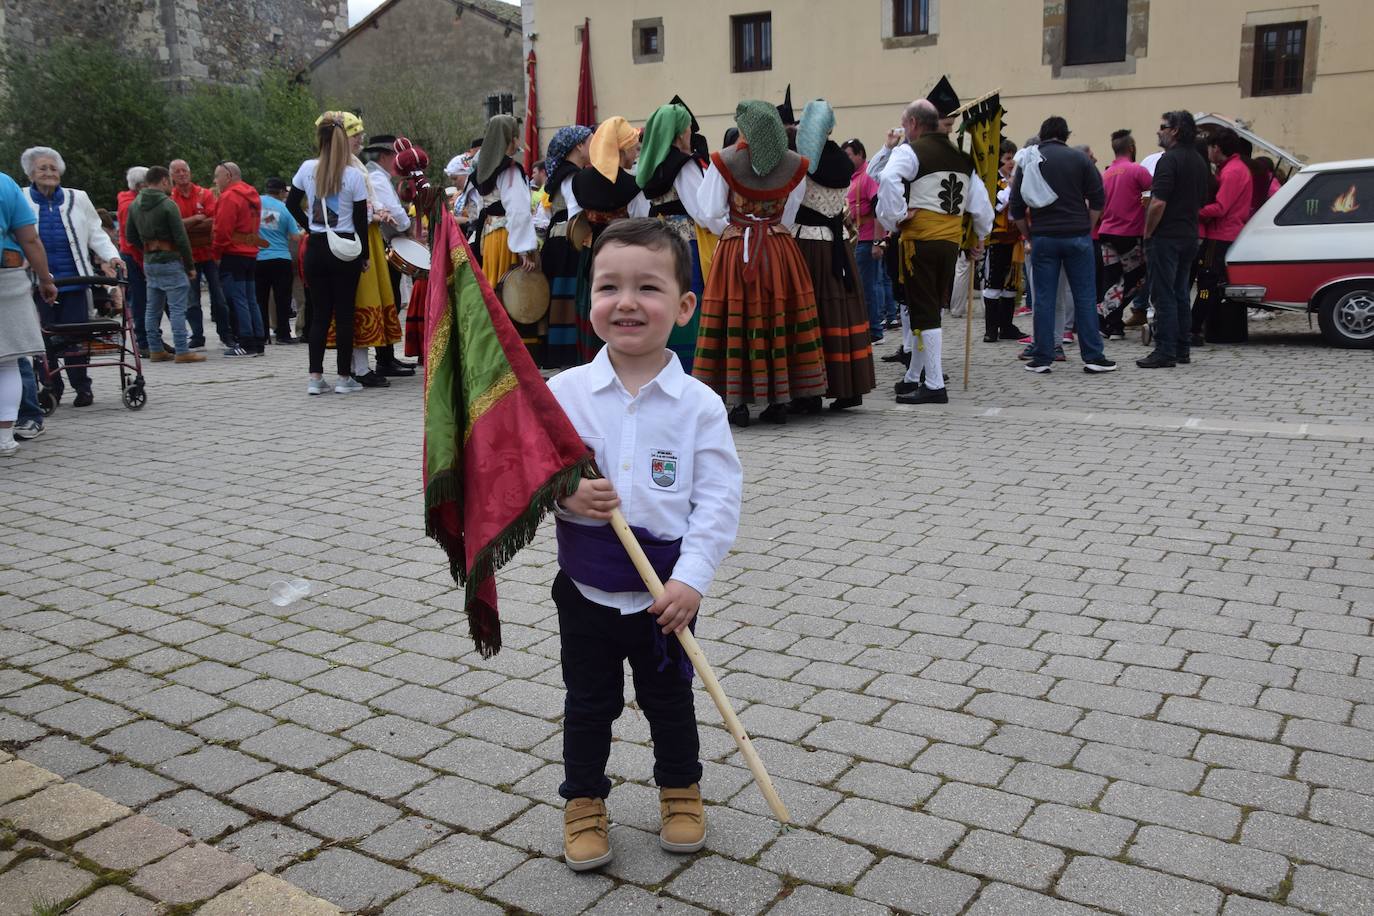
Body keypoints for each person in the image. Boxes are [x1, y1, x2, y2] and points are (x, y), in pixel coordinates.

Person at [547, 217, 741, 872]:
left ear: (685, 306)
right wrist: (562, 495)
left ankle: (681, 792)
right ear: (590, 301)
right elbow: (524, 474)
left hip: (668, 597)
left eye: (648, 288)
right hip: (586, 592)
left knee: (670, 702)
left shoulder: (699, 406)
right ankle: (583, 802)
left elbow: (717, 501)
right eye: (609, 287)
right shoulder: (562, 395)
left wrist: (692, 581)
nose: (626, 302)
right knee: (589, 704)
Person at [694, 101, 825, 426]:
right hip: (780, 250)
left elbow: (708, 210)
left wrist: (735, 227)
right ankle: (779, 399)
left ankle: (736, 402)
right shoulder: (795, 164)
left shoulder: (723, 161)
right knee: (775, 317)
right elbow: (791, 211)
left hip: (737, 247)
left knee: (736, 319)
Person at [877, 100, 994, 403]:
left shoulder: (910, 151)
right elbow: (980, 205)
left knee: (925, 311)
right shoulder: (963, 158)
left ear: (914, 123)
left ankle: (934, 383)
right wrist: (979, 236)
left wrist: (895, 216)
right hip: (950, 242)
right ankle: (914, 376)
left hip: (921, 241)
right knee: (925, 308)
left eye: (905, 125)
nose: (904, 131)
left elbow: (888, 179)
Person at [1008, 116, 1115, 375]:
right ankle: (1093, 357)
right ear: (1066, 134)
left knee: (1044, 299)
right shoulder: (1079, 159)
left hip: (1044, 236)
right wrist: (1086, 227)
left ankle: (1043, 357)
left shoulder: (1029, 160)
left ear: (1042, 134)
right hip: (1077, 236)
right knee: (1085, 297)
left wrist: (1030, 236)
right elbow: (1098, 198)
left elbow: (1017, 207)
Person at [22, 146, 122, 407]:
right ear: (31, 174)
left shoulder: (78, 198)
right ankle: (51, 386)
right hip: (36, 284)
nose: (49, 173)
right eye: (42, 168)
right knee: (44, 339)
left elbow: (96, 233)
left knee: (76, 338)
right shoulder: (21, 199)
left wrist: (111, 255)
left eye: (53, 168)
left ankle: (83, 387)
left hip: (76, 281)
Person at [793, 99, 874, 411]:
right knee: (841, 311)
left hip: (809, 245)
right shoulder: (843, 159)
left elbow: (793, 203)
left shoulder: (804, 162)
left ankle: (809, 392)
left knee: (810, 311)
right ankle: (848, 387)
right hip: (838, 244)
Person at [287, 112, 371, 395]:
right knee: (345, 313)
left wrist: (309, 226)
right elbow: (360, 221)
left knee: (319, 313)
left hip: (316, 246)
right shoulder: (354, 175)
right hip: (345, 247)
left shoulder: (307, 168)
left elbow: (290, 203)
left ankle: (314, 377)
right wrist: (365, 255)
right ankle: (345, 377)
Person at [637, 102, 722, 373]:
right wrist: (728, 228)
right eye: (686, 129)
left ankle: (662, 364)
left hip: (660, 244)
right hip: (689, 245)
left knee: (665, 300)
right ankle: (694, 369)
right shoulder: (684, 166)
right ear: (677, 133)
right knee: (691, 301)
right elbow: (703, 210)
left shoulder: (650, 166)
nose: (689, 133)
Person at [572, 117, 647, 364]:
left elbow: (576, 218)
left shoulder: (580, 180)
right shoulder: (632, 185)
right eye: (633, 148)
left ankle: (591, 360)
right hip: (622, 253)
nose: (636, 154)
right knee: (619, 304)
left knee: (592, 304)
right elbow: (640, 220)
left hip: (590, 252)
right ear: (620, 149)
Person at [1138, 110, 1209, 369]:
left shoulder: (1169, 160)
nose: (1159, 131)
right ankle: (1182, 349)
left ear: (1175, 131)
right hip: (1189, 234)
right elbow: (1203, 199)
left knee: (1163, 294)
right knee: (1180, 292)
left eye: (1162, 126)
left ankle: (1165, 351)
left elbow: (1158, 203)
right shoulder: (1199, 161)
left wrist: (1148, 232)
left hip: (1166, 236)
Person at [1, 170, 58, 456]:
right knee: (8, 361)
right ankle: (4, 437)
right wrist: (46, 279)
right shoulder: (4, 183)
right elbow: (30, 239)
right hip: (5, 276)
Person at [473, 114, 539, 361]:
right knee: (512, 293)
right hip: (508, 237)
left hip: (490, 236)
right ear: (509, 138)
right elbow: (519, 211)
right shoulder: (509, 169)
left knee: (493, 288)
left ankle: (493, 353)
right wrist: (525, 249)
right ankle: (513, 357)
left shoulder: (483, 169)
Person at [126, 166, 203, 364]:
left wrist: (148, 248)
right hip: (170, 260)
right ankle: (182, 351)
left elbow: (130, 236)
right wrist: (190, 265)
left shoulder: (135, 205)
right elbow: (181, 237)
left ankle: (155, 349)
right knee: (177, 308)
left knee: (152, 308)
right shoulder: (168, 205)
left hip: (150, 262)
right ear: (163, 181)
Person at [358, 134, 413, 379]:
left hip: (383, 241)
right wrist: (407, 228)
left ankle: (386, 357)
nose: (397, 161)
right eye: (394, 156)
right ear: (385, 156)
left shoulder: (376, 176)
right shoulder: (378, 177)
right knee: (389, 295)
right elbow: (396, 212)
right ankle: (384, 359)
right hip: (385, 242)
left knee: (390, 296)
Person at [1193, 126, 1254, 344]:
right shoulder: (1233, 168)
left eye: (1209, 147)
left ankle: (1194, 327)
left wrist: (1193, 213)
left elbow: (1220, 207)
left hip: (1220, 235)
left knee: (1206, 286)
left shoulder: (1232, 171)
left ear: (1216, 148)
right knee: (1209, 284)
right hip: (1226, 233)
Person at [541, 125, 593, 369]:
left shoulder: (560, 174)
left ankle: (560, 352)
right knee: (568, 296)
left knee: (561, 297)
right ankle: (568, 354)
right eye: (590, 140)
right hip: (568, 242)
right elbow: (576, 211)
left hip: (557, 239)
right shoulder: (572, 175)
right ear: (579, 146)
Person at [1097, 130, 1152, 339]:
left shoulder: (1106, 174)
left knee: (1111, 279)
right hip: (1129, 234)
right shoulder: (1137, 170)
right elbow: (1157, 192)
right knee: (1136, 277)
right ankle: (1103, 314)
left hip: (1106, 233)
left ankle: (1112, 325)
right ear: (1131, 148)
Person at [211, 162, 265, 357]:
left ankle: (246, 342)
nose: (215, 182)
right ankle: (259, 340)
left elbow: (222, 229)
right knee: (251, 299)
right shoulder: (253, 196)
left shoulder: (229, 197)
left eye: (217, 177)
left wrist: (216, 254)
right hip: (250, 252)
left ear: (228, 175)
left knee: (238, 299)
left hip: (233, 253)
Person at [169, 158, 224, 351]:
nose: (182, 174)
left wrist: (185, 225)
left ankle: (225, 334)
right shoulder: (171, 198)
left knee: (219, 296)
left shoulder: (205, 194)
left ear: (190, 173)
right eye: (177, 171)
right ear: (171, 176)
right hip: (187, 257)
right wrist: (197, 218)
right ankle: (198, 336)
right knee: (191, 299)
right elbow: (172, 226)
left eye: (184, 170)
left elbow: (214, 220)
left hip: (209, 254)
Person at [843, 138, 893, 342]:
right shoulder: (851, 178)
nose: (846, 159)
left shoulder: (868, 177)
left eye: (849, 155)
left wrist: (876, 241)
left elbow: (877, 209)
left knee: (868, 285)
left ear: (860, 154)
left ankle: (874, 329)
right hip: (856, 238)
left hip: (866, 238)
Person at [982, 139, 1026, 343]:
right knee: (994, 283)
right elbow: (995, 206)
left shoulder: (1014, 179)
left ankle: (1006, 326)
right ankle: (991, 329)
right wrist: (1011, 188)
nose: (1011, 162)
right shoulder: (992, 181)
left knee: (1011, 285)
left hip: (1014, 238)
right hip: (997, 239)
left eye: (1012, 158)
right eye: (1007, 158)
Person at [117, 166, 160, 357]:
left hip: (136, 255)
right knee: (141, 301)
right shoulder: (130, 205)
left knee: (148, 300)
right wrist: (144, 257)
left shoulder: (133, 201)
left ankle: (153, 339)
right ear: (141, 185)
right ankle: (144, 342)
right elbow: (132, 237)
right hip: (134, 257)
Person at [256, 177, 301, 344]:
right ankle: (283, 334)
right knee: (283, 298)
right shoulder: (285, 208)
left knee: (260, 298)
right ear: (282, 192)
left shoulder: (256, 203)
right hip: (281, 258)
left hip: (259, 257)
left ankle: (262, 335)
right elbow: (295, 237)